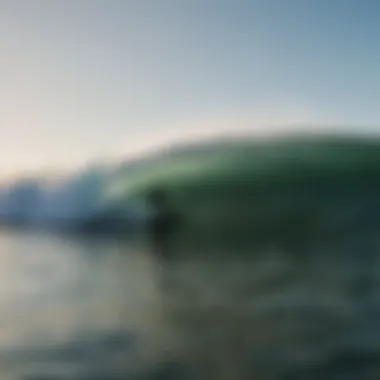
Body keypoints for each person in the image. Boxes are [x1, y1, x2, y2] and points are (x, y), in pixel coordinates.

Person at [146, 188, 182, 258]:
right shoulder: (161, 215)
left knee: (164, 249)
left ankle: (164, 257)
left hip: (164, 236)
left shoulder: (160, 216)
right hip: (163, 236)